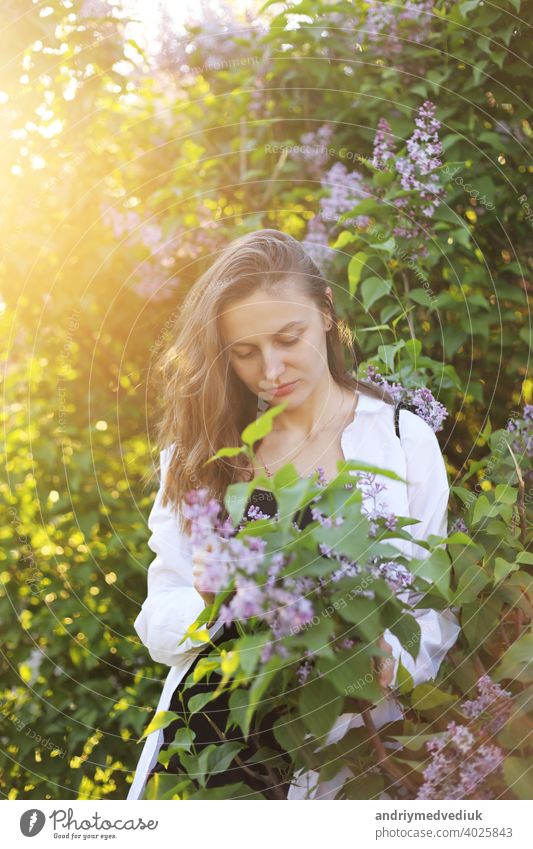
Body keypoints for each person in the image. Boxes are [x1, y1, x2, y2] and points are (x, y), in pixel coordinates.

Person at [127, 229, 460, 800]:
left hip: (339, 755)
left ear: (326, 313)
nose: (271, 371)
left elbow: (435, 609)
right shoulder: (201, 455)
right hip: (207, 758)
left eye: (289, 338)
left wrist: (387, 663)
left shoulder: (402, 439)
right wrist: (207, 606)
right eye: (245, 352)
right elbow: (158, 619)